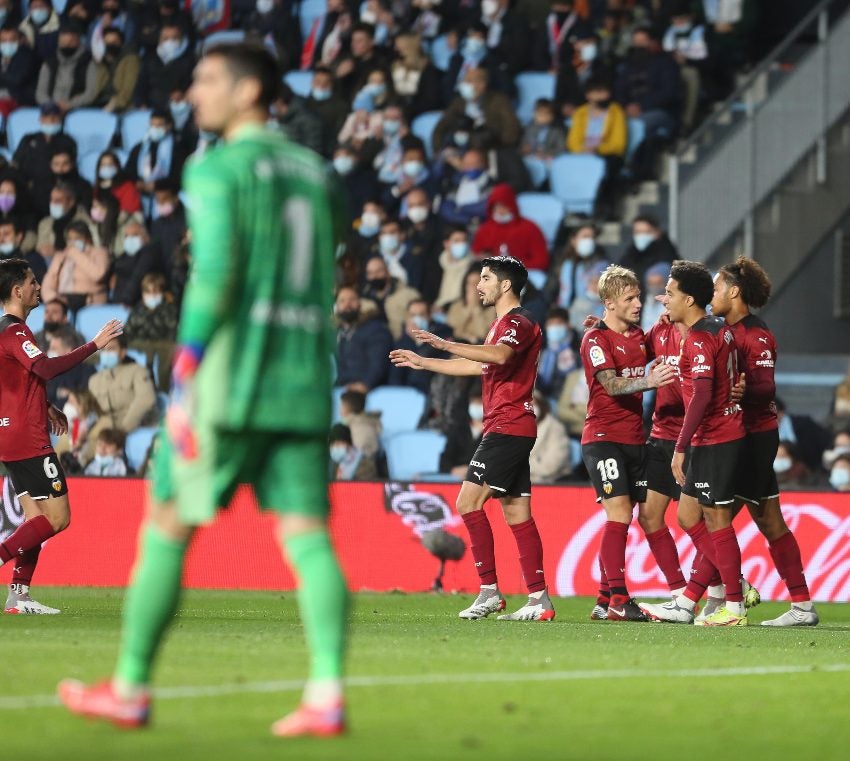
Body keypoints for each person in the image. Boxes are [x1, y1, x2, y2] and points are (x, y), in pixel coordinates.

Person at [59, 43, 350, 737]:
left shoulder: (219, 167)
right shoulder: (317, 172)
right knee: (308, 535)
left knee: (167, 522)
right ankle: (327, 692)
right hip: (305, 375)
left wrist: (184, 370)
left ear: (250, 90)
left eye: (208, 80)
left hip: (231, 379)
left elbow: (215, 275)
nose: (193, 92)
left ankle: (129, 685)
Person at [391, 255, 556, 622]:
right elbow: (480, 365)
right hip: (508, 424)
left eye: (484, 278)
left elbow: (498, 356)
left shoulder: (519, 322)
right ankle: (539, 599)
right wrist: (424, 361)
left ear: (505, 285)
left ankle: (489, 592)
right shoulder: (499, 324)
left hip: (508, 424)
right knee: (516, 513)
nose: (479, 285)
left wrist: (445, 343)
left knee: (467, 503)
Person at [0, 257, 122, 614]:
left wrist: (46, 405)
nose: (39, 287)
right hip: (28, 439)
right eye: (33, 281)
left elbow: (16, 382)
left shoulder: (7, 331)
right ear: (18, 290)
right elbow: (47, 367)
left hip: (11, 434)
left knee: (35, 519)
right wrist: (95, 344)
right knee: (58, 518)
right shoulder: (16, 332)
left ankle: (18, 596)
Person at [640, 260, 752, 627]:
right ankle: (705, 596)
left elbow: (701, 396)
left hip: (716, 438)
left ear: (689, 299)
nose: (664, 299)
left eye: (670, 294)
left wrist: (681, 446)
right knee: (689, 516)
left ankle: (733, 605)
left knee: (716, 519)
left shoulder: (701, 338)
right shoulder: (720, 330)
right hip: (716, 436)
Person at [709, 257, 817, 627]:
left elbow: (767, 385)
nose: (712, 294)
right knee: (770, 522)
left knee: (713, 516)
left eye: (717, 287)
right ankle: (802, 606)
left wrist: (743, 389)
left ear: (734, 292)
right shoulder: (724, 330)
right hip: (743, 435)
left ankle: (700, 596)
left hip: (753, 437)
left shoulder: (755, 334)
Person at [579, 264, 676, 622]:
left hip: (636, 439)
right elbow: (611, 385)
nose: (637, 304)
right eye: (629, 298)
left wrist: (668, 319)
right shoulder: (595, 339)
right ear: (609, 302)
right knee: (619, 513)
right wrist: (650, 382)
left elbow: (654, 343)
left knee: (627, 516)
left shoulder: (637, 337)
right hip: (603, 439)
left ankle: (605, 599)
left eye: (637, 297)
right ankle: (620, 598)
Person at [85, 333, 158, 463]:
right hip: (104, 422)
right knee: (67, 437)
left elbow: (146, 399)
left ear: (123, 352)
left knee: (99, 436)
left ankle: (85, 468)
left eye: (111, 349)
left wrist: (123, 429)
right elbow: (88, 408)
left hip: (133, 421)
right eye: (103, 350)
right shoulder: (94, 380)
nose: (106, 354)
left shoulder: (137, 371)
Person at [471, 183, 549, 272]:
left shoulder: (530, 228)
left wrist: (514, 267)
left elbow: (542, 261)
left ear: (511, 205)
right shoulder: (484, 230)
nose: (499, 211)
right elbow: (476, 258)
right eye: (495, 206)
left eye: (503, 206)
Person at [123, 272, 178, 393]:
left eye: (156, 292)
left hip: (163, 345)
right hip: (142, 345)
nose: (152, 296)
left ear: (162, 293)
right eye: (148, 292)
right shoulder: (138, 310)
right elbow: (128, 332)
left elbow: (173, 332)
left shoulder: (169, 309)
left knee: (164, 357)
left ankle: (164, 392)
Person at [40, 220, 110, 308]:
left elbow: (98, 274)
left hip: (91, 303)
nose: (73, 242)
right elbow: (48, 282)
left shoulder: (99, 253)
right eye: (70, 239)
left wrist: (76, 254)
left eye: (78, 238)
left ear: (87, 238)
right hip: (63, 302)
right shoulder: (61, 256)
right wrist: (53, 299)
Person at [335, 284, 393, 390]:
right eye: (342, 301)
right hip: (342, 390)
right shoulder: (339, 333)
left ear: (360, 303)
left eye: (352, 300)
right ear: (336, 307)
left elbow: (379, 364)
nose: (347, 304)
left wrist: (365, 385)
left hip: (370, 392)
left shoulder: (376, 329)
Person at [34, 22, 99, 112]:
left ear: (78, 41)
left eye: (71, 42)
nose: (67, 45)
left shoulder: (89, 62)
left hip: (77, 110)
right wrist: (52, 106)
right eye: (63, 42)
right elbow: (40, 92)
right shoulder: (49, 63)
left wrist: (70, 104)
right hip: (50, 110)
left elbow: (91, 93)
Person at [618, 214, 678, 292]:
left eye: (646, 232)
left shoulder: (667, 255)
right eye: (637, 232)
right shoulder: (630, 254)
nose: (641, 236)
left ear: (657, 233)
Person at [529, 393, 571, 484]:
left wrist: (524, 468)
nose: (531, 408)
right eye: (527, 405)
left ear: (541, 406)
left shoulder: (556, 428)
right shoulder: (514, 429)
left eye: (534, 404)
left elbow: (552, 465)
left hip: (554, 481)